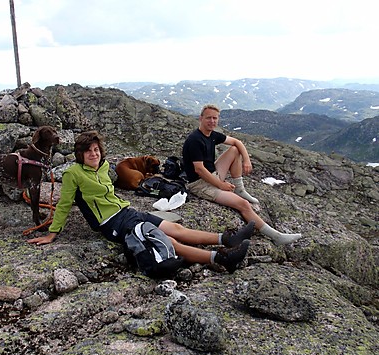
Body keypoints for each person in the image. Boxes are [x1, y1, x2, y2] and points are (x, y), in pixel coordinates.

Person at [28, 130, 254, 273]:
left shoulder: (105, 166)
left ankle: (227, 239)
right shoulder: (73, 174)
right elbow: (65, 204)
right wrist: (52, 233)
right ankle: (221, 258)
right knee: (167, 241)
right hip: (111, 224)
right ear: (80, 154)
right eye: (88, 151)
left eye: (96, 150)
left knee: (175, 228)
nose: (93, 154)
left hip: (126, 211)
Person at [182, 104, 301, 245]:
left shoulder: (212, 135)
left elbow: (236, 142)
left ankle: (239, 188)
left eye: (215, 118)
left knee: (234, 149)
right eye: (208, 118)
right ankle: (276, 237)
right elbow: (199, 170)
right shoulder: (195, 140)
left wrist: (247, 160)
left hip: (212, 174)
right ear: (201, 118)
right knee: (243, 204)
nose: (212, 121)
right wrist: (221, 185)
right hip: (200, 184)